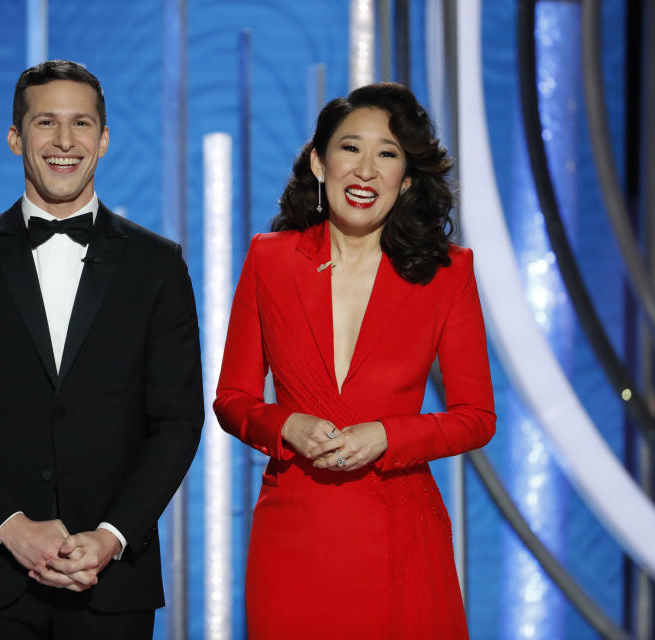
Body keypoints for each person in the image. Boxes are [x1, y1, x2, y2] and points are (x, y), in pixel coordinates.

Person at [0, 60, 203, 639]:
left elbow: (177, 420)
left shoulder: (158, 265)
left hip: (112, 582)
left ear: (104, 138)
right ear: (17, 137)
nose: (65, 142)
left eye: (81, 124)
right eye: (46, 123)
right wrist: (11, 527)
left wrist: (112, 535)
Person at [214, 83, 496, 639]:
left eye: (387, 154)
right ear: (320, 162)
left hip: (398, 527)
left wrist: (388, 436)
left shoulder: (447, 272)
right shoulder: (268, 259)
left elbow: (476, 417)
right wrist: (285, 423)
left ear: (407, 178)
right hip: (295, 532)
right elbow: (232, 400)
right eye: (350, 149)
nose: (365, 170)